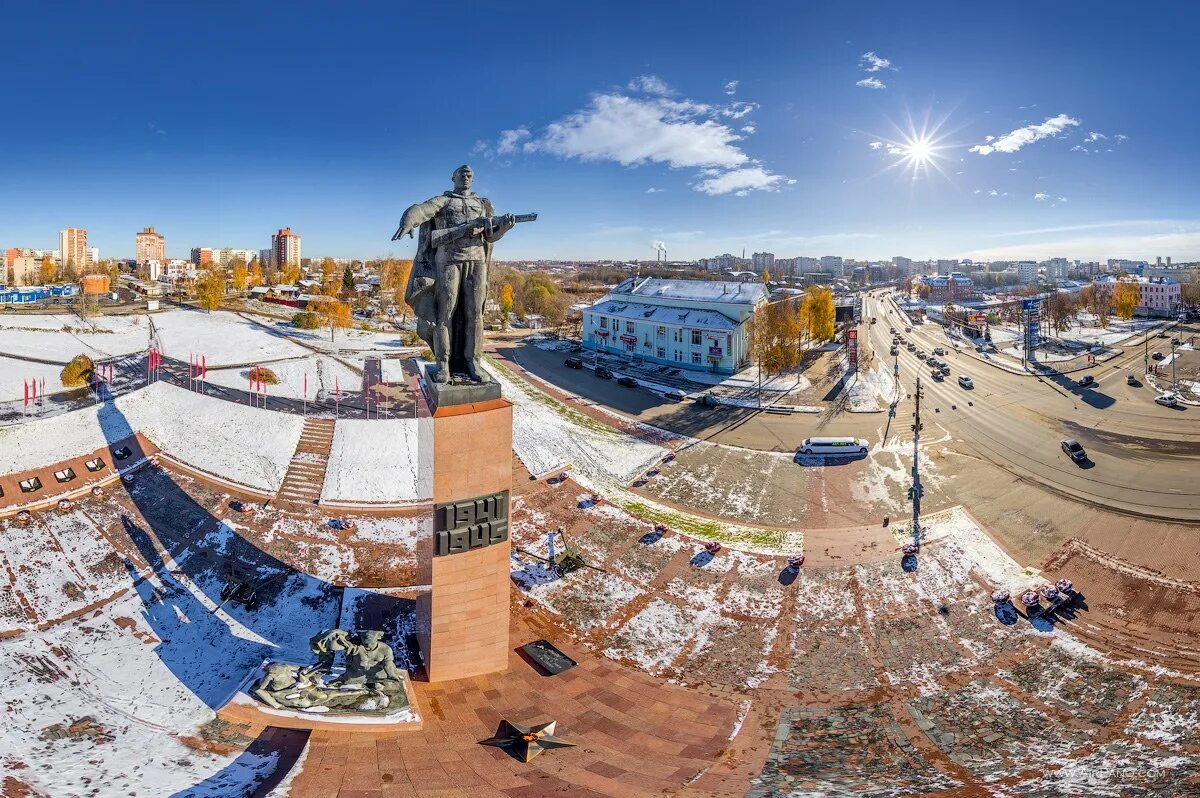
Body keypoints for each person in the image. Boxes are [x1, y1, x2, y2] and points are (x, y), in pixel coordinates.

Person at [392, 165, 515, 383]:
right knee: (445, 314)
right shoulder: (444, 201)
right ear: (453, 178)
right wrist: (408, 220)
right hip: (448, 262)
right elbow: (421, 210)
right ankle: (443, 364)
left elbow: (489, 236)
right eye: (462, 174)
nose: (466, 177)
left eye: (470, 175)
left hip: (477, 262)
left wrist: (503, 228)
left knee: (475, 314)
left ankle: (473, 362)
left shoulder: (483, 204)